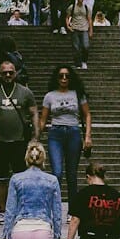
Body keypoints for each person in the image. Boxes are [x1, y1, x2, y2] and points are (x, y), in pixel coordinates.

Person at [0, 58, 38, 220]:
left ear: (15, 73)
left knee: (22, 178)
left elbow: (34, 113)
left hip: (19, 141)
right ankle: (3, 211)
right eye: (4, 73)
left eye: (10, 72)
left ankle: (22, 210)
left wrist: (35, 136)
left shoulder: (25, 92)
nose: (8, 75)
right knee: (0, 179)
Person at [39, 63, 92, 203]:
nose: (64, 79)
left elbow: (87, 114)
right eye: (61, 76)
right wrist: (36, 138)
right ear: (56, 78)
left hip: (73, 132)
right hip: (55, 133)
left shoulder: (77, 94)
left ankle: (72, 209)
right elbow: (43, 119)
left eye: (67, 76)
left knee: (72, 173)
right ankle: (54, 205)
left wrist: (87, 136)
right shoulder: (50, 96)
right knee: (56, 172)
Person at [66, 0, 92, 70]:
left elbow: (89, 19)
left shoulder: (86, 8)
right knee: (76, 47)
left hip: (84, 29)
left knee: (86, 46)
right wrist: (68, 26)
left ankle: (84, 61)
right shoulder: (72, 7)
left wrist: (91, 30)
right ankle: (77, 63)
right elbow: (67, 17)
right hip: (75, 29)